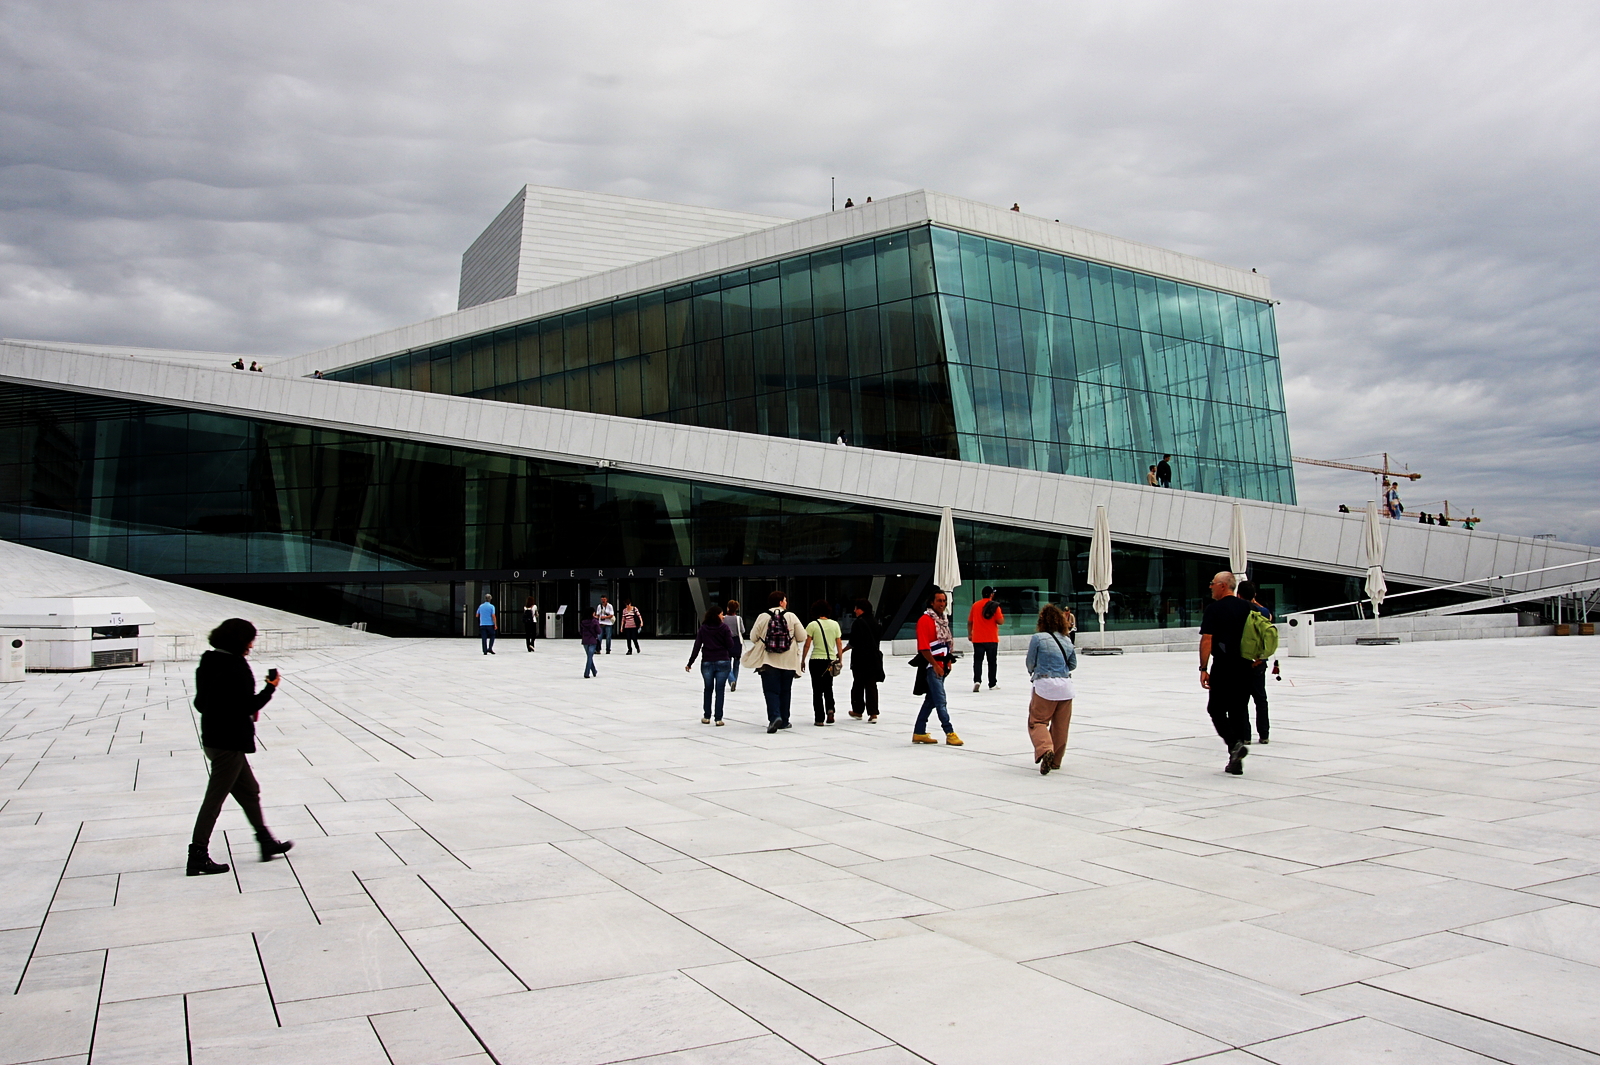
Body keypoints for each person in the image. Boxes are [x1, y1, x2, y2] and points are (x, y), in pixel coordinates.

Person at [186, 618, 292, 876]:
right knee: (214, 800)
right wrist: (270, 688)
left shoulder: (208, 662)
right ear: (240, 641)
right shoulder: (236, 667)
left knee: (249, 790)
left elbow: (200, 704)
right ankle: (197, 855)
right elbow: (248, 706)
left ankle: (266, 841)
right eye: (250, 640)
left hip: (213, 739)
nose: (251, 646)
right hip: (229, 742)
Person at [1199, 571, 1254, 774]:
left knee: (1216, 709)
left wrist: (1203, 668)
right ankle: (1235, 761)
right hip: (1245, 666)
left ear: (1223, 585)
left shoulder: (1214, 609)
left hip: (1223, 666)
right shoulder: (1248, 607)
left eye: (1212, 583)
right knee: (1238, 711)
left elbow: (1207, 639)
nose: (1210, 587)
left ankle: (1234, 745)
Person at [742, 590, 806, 733]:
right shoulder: (791, 616)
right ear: (781, 602)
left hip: (768, 660)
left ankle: (774, 717)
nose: (786, 602)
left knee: (771, 691)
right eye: (785, 600)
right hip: (789, 661)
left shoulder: (763, 616)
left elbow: (753, 637)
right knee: (785, 691)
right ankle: (785, 720)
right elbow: (802, 636)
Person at [1025, 604, 1078, 774]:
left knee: (1037, 721)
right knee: (1061, 726)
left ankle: (1046, 748)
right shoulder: (1067, 640)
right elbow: (1073, 664)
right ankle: (1056, 761)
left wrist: (1033, 671)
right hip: (1066, 687)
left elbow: (1030, 662)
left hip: (1045, 685)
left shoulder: (1038, 638)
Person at [912, 590, 962, 746]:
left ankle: (919, 732)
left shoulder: (943, 620)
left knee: (931, 700)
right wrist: (935, 665)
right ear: (931, 602)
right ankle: (949, 732)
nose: (942, 604)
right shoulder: (925, 620)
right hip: (932, 667)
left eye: (944, 601)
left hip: (942, 666)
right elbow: (924, 647)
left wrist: (948, 662)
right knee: (940, 701)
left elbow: (945, 644)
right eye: (939, 601)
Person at [686, 606, 739, 725]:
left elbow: (697, 646)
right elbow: (730, 644)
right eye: (721, 614)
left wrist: (690, 662)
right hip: (723, 661)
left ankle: (706, 716)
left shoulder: (703, 628)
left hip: (707, 661)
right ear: (716, 615)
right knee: (720, 690)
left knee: (708, 689)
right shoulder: (724, 628)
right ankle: (718, 718)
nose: (723, 616)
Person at [1236, 580, 1272, 744]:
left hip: (1242, 659)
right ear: (1254, 595)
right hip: (1259, 659)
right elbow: (1269, 619)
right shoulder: (1262, 611)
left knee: (1241, 700)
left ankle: (1245, 736)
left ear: (1238, 595)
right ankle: (1264, 734)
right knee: (1260, 698)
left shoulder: (1237, 611)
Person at [804, 600, 846, 725]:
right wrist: (840, 659)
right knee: (828, 687)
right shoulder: (835, 624)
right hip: (830, 661)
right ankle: (830, 709)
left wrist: (802, 660)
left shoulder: (812, 625)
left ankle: (819, 719)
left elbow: (807, 645)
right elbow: (839, 643)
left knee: (817, 690)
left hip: (816, 660)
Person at [846, 599, 883, 723]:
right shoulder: (876, 622)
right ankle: (873, 713)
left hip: (860, 659)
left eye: (856, 608)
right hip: (873, 659)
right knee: (871, 686)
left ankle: (858, 710)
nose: (854, 611)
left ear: (861, 609)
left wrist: (841, 651)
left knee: (858, 685)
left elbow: (853, 642)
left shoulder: (858, 623)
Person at [967, 586, 1003, 692]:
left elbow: (970, 621)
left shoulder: (975, 605)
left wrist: (970, 634)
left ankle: (977, 680)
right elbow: (1000, 621)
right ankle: (992, 683)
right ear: (991, 594)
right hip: (991, 638)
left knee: (978, 661)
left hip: (978, 638)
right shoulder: (995, 606)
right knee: (992, 662)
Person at [722, 601, 745, 691]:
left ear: (728, 608)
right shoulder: (738, 618)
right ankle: (734, 680)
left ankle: (732, 680)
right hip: (737, 642)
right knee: (736, 663)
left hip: (726, 642)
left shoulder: (723, 619)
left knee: (726, 663)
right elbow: (742, 630)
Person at [579, 607, 602, 678]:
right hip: (592, 641)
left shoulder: (582, 621)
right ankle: (586, 673)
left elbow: (581, 632)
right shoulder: (594, 621)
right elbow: (599, 631)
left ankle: (594, 671)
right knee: (590, 657)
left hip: (585, 641)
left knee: (589, 657)